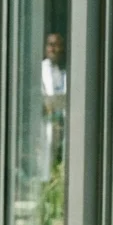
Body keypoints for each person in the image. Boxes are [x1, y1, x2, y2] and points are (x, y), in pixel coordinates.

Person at [41, 32, 67, 171]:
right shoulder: (40, 70)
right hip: (47, 120)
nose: (53, 49)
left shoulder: (65, 70)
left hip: (63, 119)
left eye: (57, 46)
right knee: (47, 154)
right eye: (50, 45)